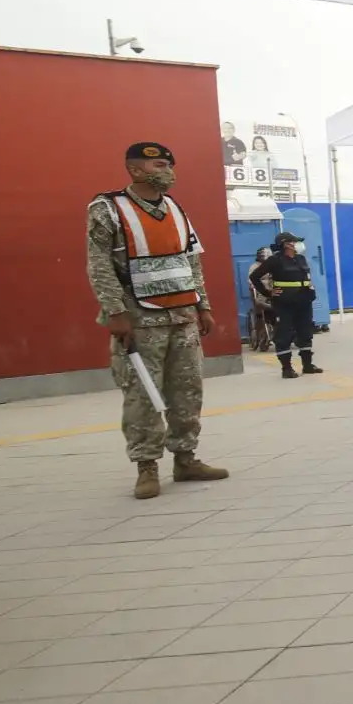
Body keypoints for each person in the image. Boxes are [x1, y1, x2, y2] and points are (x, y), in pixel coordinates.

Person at [86, 141, 229, 498]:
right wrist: (115, 312)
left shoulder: (176, 209)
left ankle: (186, 459)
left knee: (187, 392)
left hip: (182, 317)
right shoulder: (108, 209)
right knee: (142, 396)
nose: (167, 170)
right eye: (158, 165)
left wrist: (203, 306)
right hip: (138, 320)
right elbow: (99, 264)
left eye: (168, 164)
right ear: (135, 169)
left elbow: (191, 261)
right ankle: (146, 467)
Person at [254, 231, 324, 379]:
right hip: (285, 303)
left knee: (305, 332)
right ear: (287, 244)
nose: (298, 244)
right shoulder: (275, 260)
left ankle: (308, 365)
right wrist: (268, 292)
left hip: (304, 301)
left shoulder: (301, 258)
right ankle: (287, 369)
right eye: (295, 241)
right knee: (284, 335)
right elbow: (254, 277)